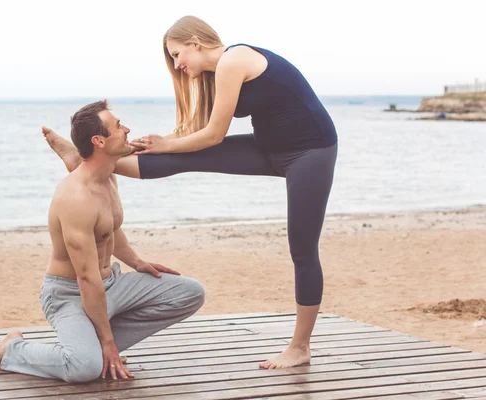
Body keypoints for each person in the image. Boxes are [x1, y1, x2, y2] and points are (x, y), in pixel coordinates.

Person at [43, 15, 337, 369]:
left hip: (310, 150)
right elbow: (199, 134)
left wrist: (167, 144)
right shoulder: (214, 74)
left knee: (302, 248)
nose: (177, 64)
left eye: (177, 53)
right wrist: (169, 145)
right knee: (184, 157)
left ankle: (300, 347)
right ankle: (87, 161)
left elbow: (213, 135)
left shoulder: (233, 59)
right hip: (269, 147)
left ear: (196, 42)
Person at [0, 100, 205, 383]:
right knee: (83, 368)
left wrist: (137, 262)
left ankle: (95, 346)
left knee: (190, 292)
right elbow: (86, 278)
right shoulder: (76, 197)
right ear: (98, 141)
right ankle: (11, 348)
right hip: (70, 294)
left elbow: (108, 228)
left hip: (111, 284)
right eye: (118, 126)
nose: (126, 129)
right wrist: (109, 343)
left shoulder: (107, 174)